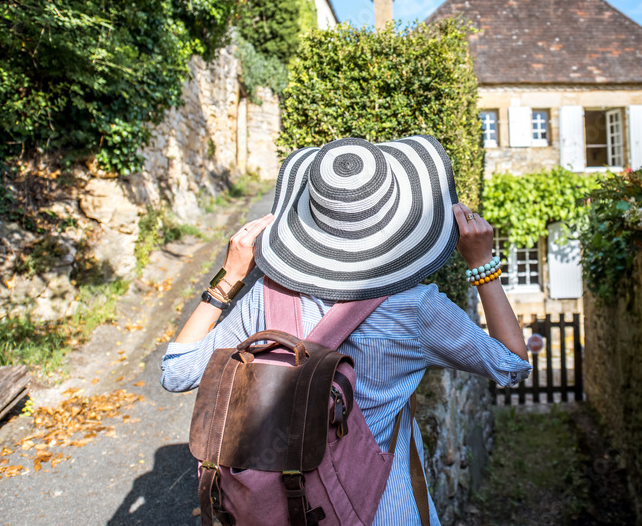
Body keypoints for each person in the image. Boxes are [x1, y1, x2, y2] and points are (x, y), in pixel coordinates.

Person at [161, 135, 532, 526]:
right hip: (383, 508)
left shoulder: (265, 297)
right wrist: (483, 265)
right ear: (398, 216)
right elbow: (512, 364)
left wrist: (229, 278)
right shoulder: (418, 309)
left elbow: (177, 371)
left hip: (282, 510)